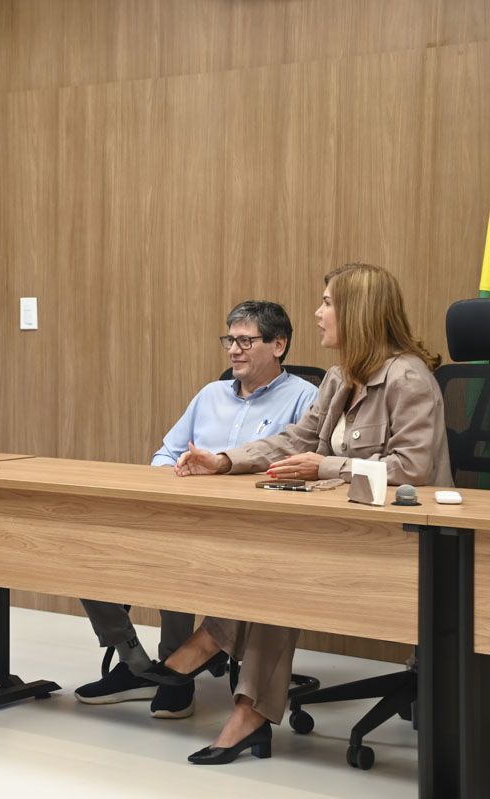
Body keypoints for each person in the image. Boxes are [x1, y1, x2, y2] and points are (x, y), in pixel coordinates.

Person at [150, 262, 451, 765]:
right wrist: (226, 460)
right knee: (276, 560)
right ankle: (246, 710)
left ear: (360, 312)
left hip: (405, 543)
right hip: (350, 531)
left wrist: (325, 464)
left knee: (281, 568)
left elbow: (413, 469)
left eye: (329, 302)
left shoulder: (408, 378)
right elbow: (295, 440)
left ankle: (212, 655)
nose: (318, 312)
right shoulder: (340, 378)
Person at [76, 301, 318, 719]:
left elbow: (303, 467)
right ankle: (134, 660)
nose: (234, 350)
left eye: (246, 340)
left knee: (180, 555)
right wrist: (172, 478)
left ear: (279, 345)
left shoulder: (304, 398)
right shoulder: (210, 395)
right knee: (84, 548)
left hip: (253, 528)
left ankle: (176, 668)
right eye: (230, 340)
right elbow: (165, 453)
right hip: (185, 512)